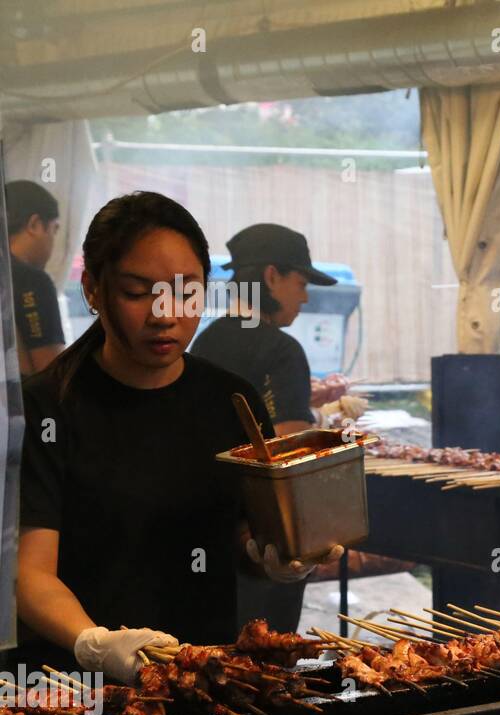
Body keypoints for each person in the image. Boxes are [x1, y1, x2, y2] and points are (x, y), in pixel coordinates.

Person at [16, 193, 341, 683]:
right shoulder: (45, 407)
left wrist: (273, 556)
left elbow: (244, 534)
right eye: (136, 291)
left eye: (186, 292)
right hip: (72, 686)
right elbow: (30, 572)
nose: (165, 314)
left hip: (202, 678)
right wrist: (94, 643)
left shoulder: (233, 400)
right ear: (93, 290)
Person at [190, 223, 338, 632]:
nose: (305, 297)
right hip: (263, 544)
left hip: (203, 534)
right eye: (301, 282)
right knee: (265, 672)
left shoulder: (204, 342)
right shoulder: (282, 349)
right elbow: (289, 457)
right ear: (272, 276)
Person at [5, 180, 66, 377]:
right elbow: (51, 373)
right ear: (35, 225)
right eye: (54, 229)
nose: (52, 243)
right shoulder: (32, 281)